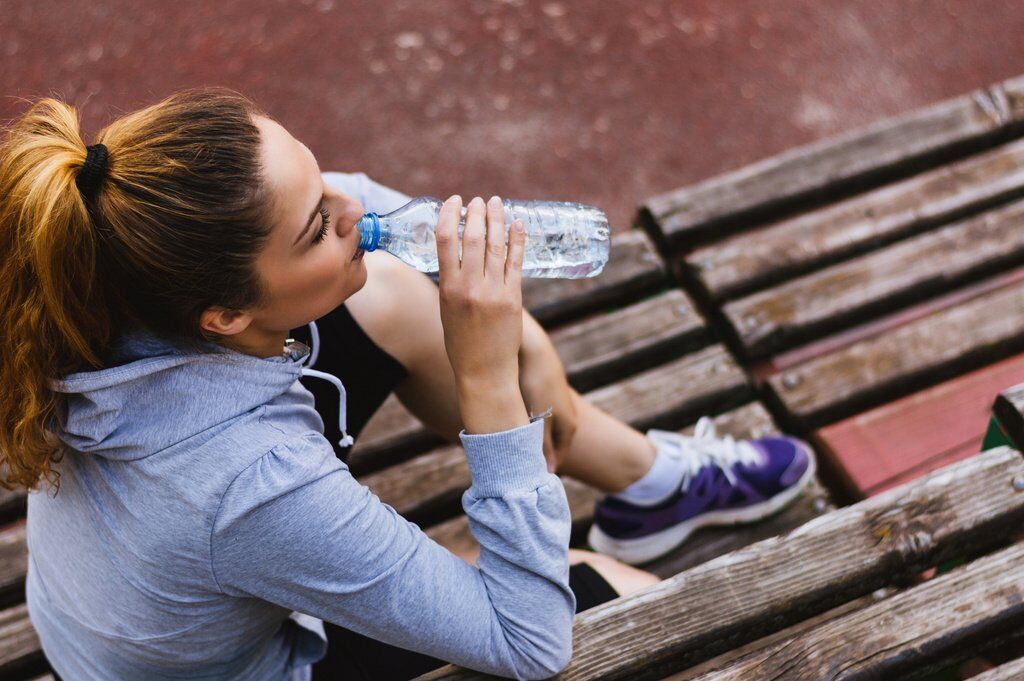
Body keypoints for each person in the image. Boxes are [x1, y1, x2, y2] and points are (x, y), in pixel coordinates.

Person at [0, 89, 815, 680]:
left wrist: (527, 340)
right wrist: (491, 372)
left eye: (319, 179)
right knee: (604, 590)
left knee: (384, 285)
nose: (347, 201)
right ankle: (598, 534)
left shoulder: (114, 258)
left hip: (148, 594)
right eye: (318, 224)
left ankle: (646, 485)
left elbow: (368, 205)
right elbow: (530, 642)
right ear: (222, 314)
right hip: (254, 662)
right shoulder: (256, 484)